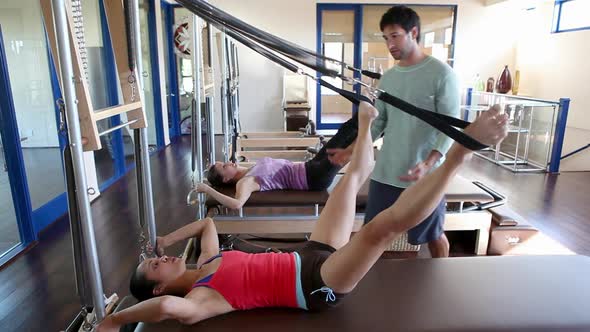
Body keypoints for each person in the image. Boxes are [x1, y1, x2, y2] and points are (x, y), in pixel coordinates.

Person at [96, 102, 507, 331]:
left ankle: (367, 122)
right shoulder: (201, 300)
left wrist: (167, 239)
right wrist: (116, 320)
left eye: (157, 256)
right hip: (316, 285)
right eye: (156, 266)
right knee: (379, 230)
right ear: (156, 289)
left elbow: (208, 224)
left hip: (310, 253)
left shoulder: (205, 262)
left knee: (349, 182)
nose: (163, 259)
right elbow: (168, 310)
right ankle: (461, 153)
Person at [328, 5, 461, 258]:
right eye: (386, 38)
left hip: (425, 177)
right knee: (372, 233)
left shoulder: (442, 75)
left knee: (433, 236)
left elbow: (450, 127)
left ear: (413, 32)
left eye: (395, 36)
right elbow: (378, 123)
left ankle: (443, 276)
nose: (390, 44)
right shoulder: (388, 78)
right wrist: (350, 151)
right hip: (387, 173)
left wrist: (429, 162)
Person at [196, 113, 359, 210]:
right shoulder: (245, 183)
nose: (229, 163)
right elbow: (237, 204)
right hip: (314, 178)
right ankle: (377, 124)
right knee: (349, 145)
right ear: (226, 179)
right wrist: (208, 189)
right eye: (225, 166)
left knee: (345, 131)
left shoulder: (246, 171)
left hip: (310, 166)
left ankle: (376, 108)